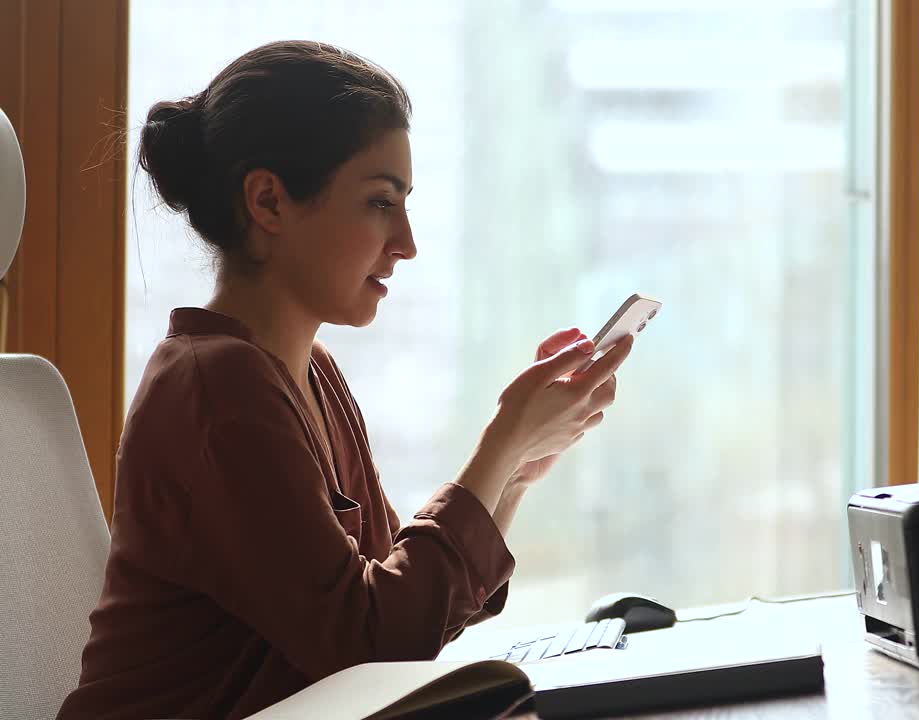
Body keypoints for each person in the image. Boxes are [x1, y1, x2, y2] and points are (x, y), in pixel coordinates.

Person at [56, 40, 632, 720]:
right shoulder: (215, 389)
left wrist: (514, 475)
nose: (408, 242)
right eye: (380, 203)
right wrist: (499, 446)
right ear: (268, 201)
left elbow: (399, 606)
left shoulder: (307, 371)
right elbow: (369, 639)